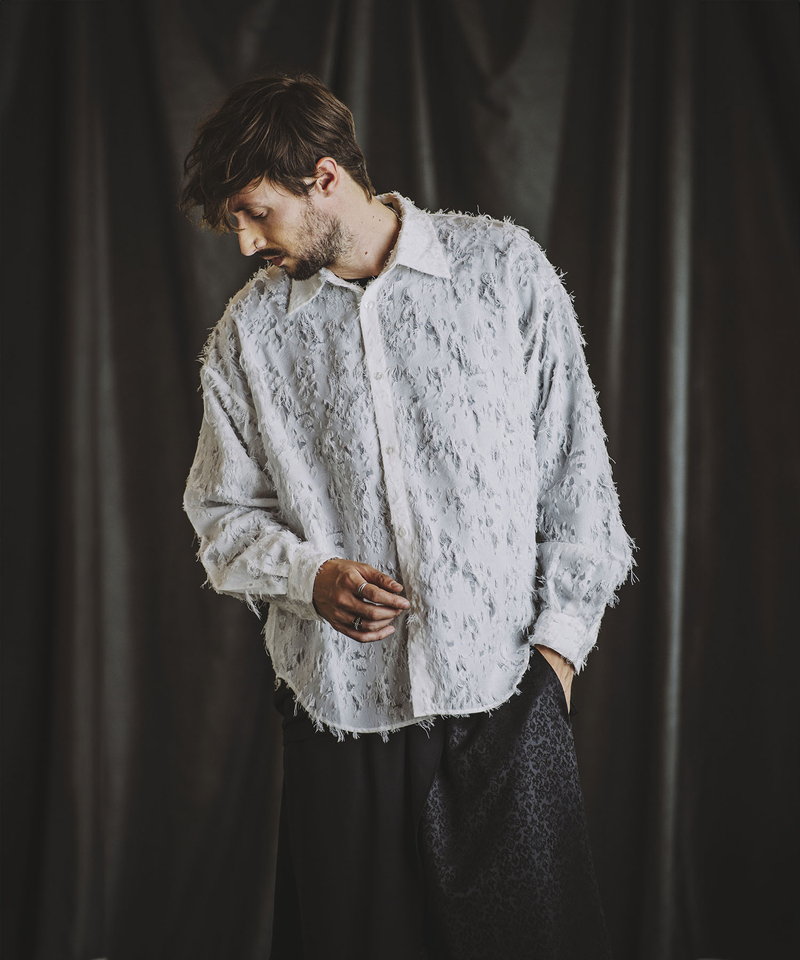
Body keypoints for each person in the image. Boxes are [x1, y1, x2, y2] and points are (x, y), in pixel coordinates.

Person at [179, 72, 636, 960]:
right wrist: (312, 576)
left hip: (507, 702)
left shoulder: (502, 272)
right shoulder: (249, 334)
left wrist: (556, 661)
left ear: (323, 178)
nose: (245, 243)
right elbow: (220, 514)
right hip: (337, 713)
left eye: (255, 213)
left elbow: (579, 479)